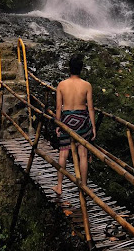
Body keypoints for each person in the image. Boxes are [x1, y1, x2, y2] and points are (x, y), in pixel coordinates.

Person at [52, 53, 96, 196]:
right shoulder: (87, 85)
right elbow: (90, 108)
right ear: (81, 69)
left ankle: (59, 185)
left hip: (67, 120)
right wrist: (93, 127)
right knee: (83, 154)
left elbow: (59, 108)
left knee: (63, 153)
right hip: (82, 119)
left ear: (69, 68)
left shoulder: (61, 85)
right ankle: (83, 187)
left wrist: (58, 124)